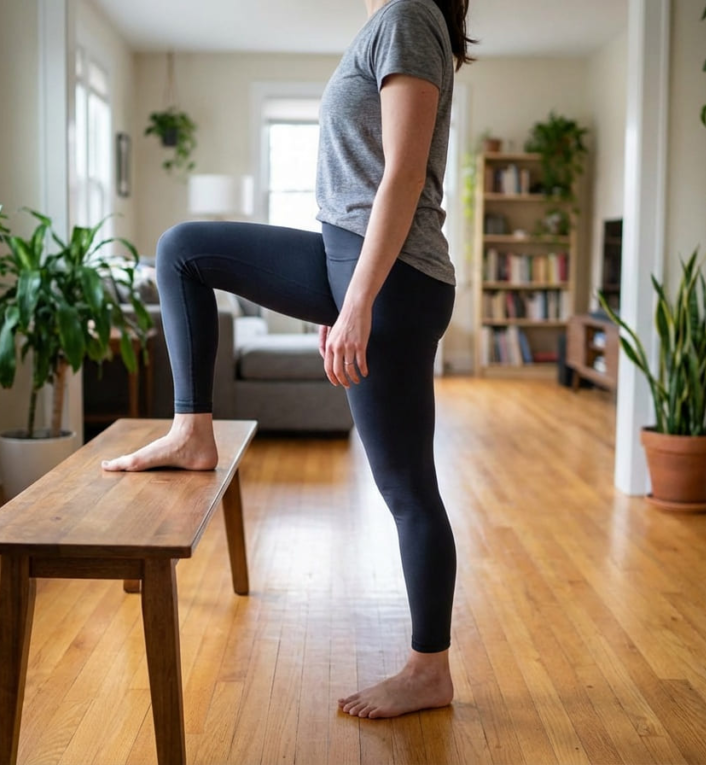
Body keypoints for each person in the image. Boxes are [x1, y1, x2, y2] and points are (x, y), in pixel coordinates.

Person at [102, 0, 475, 719]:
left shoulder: (406, 14)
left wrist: (356, 301)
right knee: (183, 249)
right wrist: (338, 293)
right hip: (356, 260)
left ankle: (430, 669)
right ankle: (192, 431)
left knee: (406, 489)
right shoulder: (388, 21)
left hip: (395, 277)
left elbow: (400, 175)